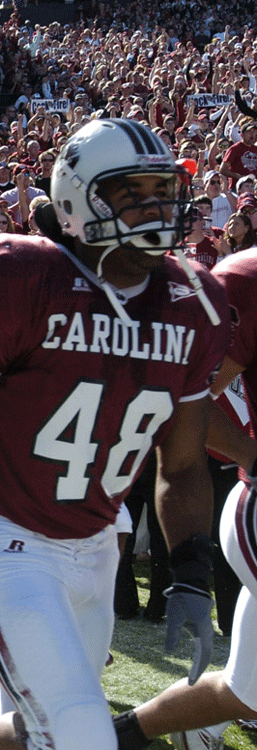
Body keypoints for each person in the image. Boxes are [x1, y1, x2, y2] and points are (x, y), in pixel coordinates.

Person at [0, 120, 231, 750]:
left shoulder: (194, 301)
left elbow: (182, 465)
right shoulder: (23, 277)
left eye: (165, 191)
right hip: (9, 542)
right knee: (82, 734)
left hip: (99, 544)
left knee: (48, 727)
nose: (159, 208)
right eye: (136, 193)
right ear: (81, 202)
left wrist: (191, 566)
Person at [108, 245, 257, 750]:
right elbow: (184, 396)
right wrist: (251, 453)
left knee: (245, 691)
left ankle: (120, 735)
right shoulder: (246, 278)